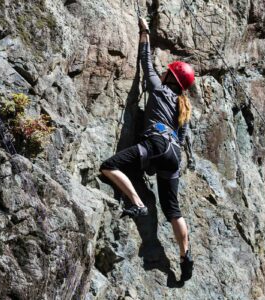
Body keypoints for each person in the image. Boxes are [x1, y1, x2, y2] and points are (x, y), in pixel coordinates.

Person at [99, 17, 195, 281]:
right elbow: (182, 137)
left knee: (109, 166)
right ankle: (185, 255)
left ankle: (137, 203)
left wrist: (144, 31)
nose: (162, 72)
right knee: (173, 210)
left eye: (167, 71)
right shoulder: (183, 108)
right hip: (174, 155)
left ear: (171, 77)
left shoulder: (159, 88)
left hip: (155, 144)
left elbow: (145, 62)